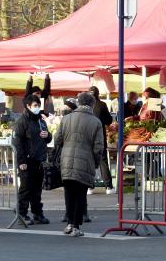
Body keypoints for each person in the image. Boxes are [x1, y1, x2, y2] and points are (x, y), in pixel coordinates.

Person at [55, 92, 104, 237]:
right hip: (85, 160)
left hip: (66, 159)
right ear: (92, 105)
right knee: (80, 194)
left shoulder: (66, 118)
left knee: (69, 193)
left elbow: (57, 139)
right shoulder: (96, 122)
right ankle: (76, 225)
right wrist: (95, 162)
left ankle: (69, 223)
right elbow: (98, 147)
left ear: (78, 102)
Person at [13, 95, 52, 225]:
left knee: (37, 189)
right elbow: (17, 142)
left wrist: (48, 136)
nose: (37, 108)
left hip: (39, 159)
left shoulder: (40, 120)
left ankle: (37, 213)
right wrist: (22, 161)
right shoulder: (22, 121)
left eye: (38, 105)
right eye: (35, 105)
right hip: (27, 160)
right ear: (28, 106)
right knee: (25, 189)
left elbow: (47, 137)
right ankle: (22, 214)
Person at [58, 98, 91, 223]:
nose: (65, 111)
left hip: (68, 157)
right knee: (79, 188)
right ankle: (78, 214)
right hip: (82, 158)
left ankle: (73, 215)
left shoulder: (66, 120)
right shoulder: (88, 120)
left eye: (67, 108)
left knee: (71, 189)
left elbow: (58, 139)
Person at [88, 86, 114, 195]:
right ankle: (108, 187)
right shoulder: (102, 105)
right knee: (103, 160)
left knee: (89, 160)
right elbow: (109, 120)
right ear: (98, 94)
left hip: (88, 135)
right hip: (100, 136)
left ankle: (90, 187)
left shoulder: (86, 106)